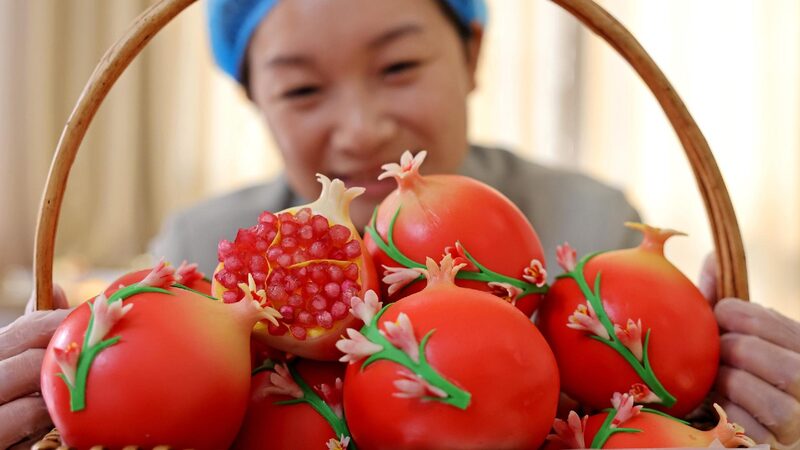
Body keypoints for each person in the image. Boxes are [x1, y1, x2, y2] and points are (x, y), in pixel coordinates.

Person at [1, 0, 797, 447]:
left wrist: (732, 396)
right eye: (302, 90)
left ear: (474, 55)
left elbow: (654, 403)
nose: (362, 131)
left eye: (399, 67)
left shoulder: (590, 216)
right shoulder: (194, 246)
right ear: (253, 100)